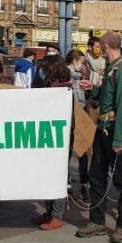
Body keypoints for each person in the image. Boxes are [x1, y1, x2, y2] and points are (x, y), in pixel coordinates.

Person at [76, 31, 122, 243]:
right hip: (101, 128)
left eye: (99, 46)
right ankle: (97, 221)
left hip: (114, 131)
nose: (97, 50)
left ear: (104, 46)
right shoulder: (110, 69)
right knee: (96, 177)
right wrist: (91, 88)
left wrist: (119, 139)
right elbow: (102, 99)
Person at [32, 61, 77, 231]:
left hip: (60, 141)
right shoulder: (56, 91)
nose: (48, 81)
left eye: (50, 78)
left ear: (56, 79)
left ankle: (57, 215)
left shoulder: (64, 93)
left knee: (57, 176)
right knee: (47, 175)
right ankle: (50, 212)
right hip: (49, 139)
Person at [66, 49, 90, 199]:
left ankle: (83, 184)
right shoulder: (66, 75)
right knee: (68, 150)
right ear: (74, 60)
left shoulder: (80, 76)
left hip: (81, 112)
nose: (81, 65)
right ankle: (67, 183)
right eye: (80, 61)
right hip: (70, 114)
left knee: (83, 151)